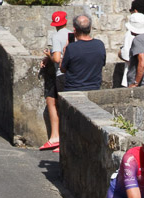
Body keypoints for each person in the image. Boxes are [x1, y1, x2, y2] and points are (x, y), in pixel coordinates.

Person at [39, 10, 70, 152]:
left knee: (59, 104)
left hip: (61, 74)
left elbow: (57, 59)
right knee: (51, 99)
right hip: (72, 74)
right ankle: (55, 137)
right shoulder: (71, 34)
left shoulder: (56, 36)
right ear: (66, 21)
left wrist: (48, 56)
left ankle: (59, 138)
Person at [59, 14, 106, 93]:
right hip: (94, 90)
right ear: (90, 28)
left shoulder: (71, 48)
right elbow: (102, 63)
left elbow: (63, 69)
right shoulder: (100, 45)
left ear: (74, 30)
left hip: (73, 90)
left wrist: (64, 52)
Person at [118, 0, 144, 87]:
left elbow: (126, 56)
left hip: (134, 78)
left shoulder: (132, 32)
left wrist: (120, 53)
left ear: (135, 11)